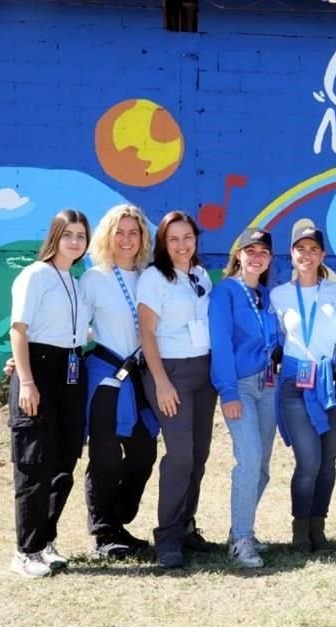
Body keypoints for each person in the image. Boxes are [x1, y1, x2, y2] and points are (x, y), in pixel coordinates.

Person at [7, 209, 91, 578]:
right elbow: (19, 330)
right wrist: (25, 379)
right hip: (39, 372)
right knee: (33, 465)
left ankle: (45, 541)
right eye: (68, 234)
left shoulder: (74, 279)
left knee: (64, 463)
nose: (75, 241)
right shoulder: (35, 275)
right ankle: (26, 551)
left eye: (80, 235)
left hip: (71, 370)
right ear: (54, 236)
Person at [137, 211, 218, 569]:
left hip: (204, 372)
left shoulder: (200, 275)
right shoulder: (154, 278)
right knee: (180, 455)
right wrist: (161, 382)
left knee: (199, 456)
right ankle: (167, 537)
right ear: (162, 244)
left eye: (188, 238)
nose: (182, 245)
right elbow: (147, 334)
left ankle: (186, 526)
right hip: (170, 372)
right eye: (173, 239)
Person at [81, 204, 159, 559]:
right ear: (107, 236)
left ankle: (118, 520)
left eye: (134, 232)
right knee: (105, 457)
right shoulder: (94, 278)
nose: (127, 239)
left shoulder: (149, 276)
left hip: (139, 378)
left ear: (143, 237)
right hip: (105, 378)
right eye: (120, 232)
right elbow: (74, 329)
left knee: (144, 451)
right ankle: (103, 533)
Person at [209, 227, 281, 569]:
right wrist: (228, 391)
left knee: (262, 465)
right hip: (239, 385)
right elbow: (220, 344)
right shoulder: (225, 292)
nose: (256, 257)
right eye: (249, 251)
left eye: (263, 252)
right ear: (238, 255)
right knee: (249, 459)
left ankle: (242, 530)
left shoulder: (265, 296)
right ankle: (240, 540)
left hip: (268, 386)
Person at [271, 226, 336, 553]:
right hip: (294, 386)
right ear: (292, 254)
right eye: (300, 248)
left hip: (329, 383)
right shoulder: (278, 295)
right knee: (308, 461)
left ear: (322, 255)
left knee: (328, 462)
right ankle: (300, 529)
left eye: (313, 248)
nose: (307, 254)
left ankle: (318, 526)